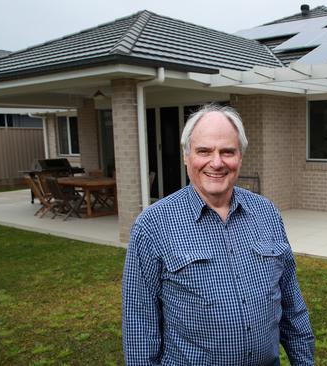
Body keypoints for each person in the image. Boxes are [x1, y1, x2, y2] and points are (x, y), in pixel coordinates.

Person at [122, 104, 315, 365]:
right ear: (186, 155)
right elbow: (139, 329)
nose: (216, 162)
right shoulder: (152, 226)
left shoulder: (267, 214)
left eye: (227, 152)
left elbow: (293, 307)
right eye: (204, 151)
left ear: (240, 156)